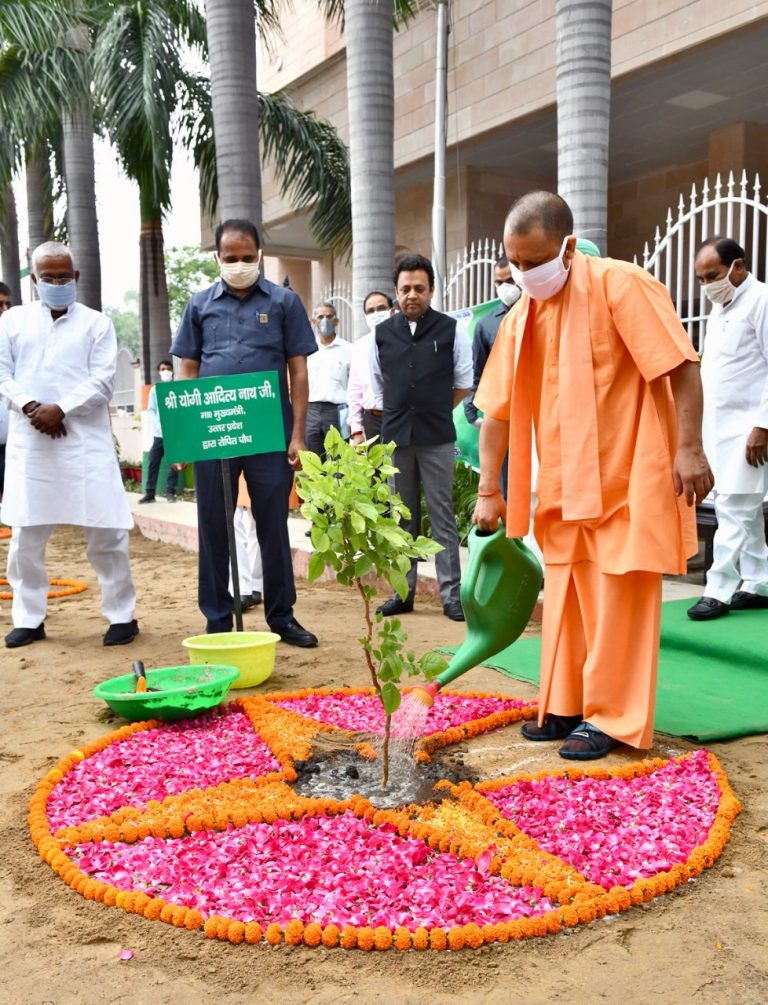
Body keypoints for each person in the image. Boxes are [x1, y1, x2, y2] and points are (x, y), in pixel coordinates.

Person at [474, 191, 712, 760]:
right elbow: (496, 411)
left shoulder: (620, 284)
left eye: (536, 262)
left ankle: (612, 718)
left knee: (620, 597)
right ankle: (567, 703)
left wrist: (689, 448)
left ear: (569, 246)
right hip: (561, 483)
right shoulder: (519, 317)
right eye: (516, 264)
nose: (525, 275)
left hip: (630, 475)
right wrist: (489, 489)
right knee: (568, 596)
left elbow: (680, 368)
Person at [171, 218, 318, 647]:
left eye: (247, 257)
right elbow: (189, 370)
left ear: (260, 256)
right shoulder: (199, 305)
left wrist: (297, 435)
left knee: (272, 524)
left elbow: (299, 370)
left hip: (269, 432)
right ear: (217, 257)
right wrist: (186, 435)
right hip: (214, 431)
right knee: (213, 524)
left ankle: (282, 616)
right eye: (230, 258)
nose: (239, 264)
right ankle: (217, 619)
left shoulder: (284, 302)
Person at [0, 241, 138, 648]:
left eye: (64, 277)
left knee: (107, 532)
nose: (57, 283)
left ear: (76, 277)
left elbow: (102, 381)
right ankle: (29, 617)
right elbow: (3, 374)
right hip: (31, 443)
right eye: (49, 277)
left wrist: (60, 409)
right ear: (33, 280)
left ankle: (121, 615)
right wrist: (32, 408)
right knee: (26, 535)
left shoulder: (98, 324)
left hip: (84, 442)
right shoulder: (11, 323)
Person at [371, 253, 472, 621]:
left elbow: (463, 381)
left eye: (419, 288)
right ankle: (403, 592)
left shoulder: (451, 329)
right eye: (405, 289)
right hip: (397, 436)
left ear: (431, 290)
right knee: (402, 517)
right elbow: (379, 386)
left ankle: (451, 596)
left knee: (442, 514)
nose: (411, 295)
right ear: (396, 292)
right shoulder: (381, 333)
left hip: (436, 436)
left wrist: (433, 408)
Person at [687, 237, 768, 620]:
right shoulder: (721, 308)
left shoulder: (762, 301)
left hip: (749, 429)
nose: (706, 286)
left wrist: (763, 426)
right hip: (718, 427)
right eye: (700, 279)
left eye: (712, 276)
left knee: (735, 506)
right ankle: (758, 581)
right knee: (741, 505)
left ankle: (717, 589)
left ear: (738, 266)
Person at [306, 302, 351, 459]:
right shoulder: (306, 350)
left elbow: (353, 385)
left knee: (340, 460)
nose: (325, 320)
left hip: (338, 411)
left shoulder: (348, 350)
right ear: (313, 322)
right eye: (320, 317)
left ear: (336, 321)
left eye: (329, 316)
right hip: (311, 410)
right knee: (315, 461)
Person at [348, 291, 394, 444]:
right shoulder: (360, 346)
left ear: (391, 311)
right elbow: (355, 391)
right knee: (376, 467)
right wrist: (357, 431)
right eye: (370, 311)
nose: (376, 314)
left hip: (400, 417)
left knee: (401, 467)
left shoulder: (405, 341)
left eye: (381, 309)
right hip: (372, 419)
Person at [138, 359, 181, 504]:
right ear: (159, 372)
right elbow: (151, 410)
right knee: (153, 462)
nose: (166, 371)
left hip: (174, 434)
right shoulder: (155, 390)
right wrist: (159, 426)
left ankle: (170, 492)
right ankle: (150, 493)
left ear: (173, 370)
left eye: (168, 368)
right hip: (159, 435)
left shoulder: (176, 388)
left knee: (174, 464)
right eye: (163, 369)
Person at [0, 281, 12, 500]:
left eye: (7, 305)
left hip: (9, 438)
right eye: (0, 305)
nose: (4, 310)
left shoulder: (14, 339)